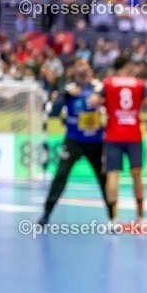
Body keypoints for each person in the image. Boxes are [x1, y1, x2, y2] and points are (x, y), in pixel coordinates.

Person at [39, 58, 110, 224]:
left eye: (85, 64)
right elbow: (54, 112)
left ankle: (112, 217)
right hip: (73, 141)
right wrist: (65, 95)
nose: (82, 68)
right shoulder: (69, 90)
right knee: (61, 175)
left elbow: (110, 107)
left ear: (90, 69)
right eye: (78, 65)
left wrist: (100, 102)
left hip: (96, 141)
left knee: (104, 178)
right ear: (74, 70)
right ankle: (46, 213)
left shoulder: (99, 89)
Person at [98, 56, 147, 224]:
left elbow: (95, 101)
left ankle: (114, 219)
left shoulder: (108, 83)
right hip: (134, 135)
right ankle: (140, 216)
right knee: (137, 175)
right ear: (126, 65)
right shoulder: (139, 84)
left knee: (113, 176)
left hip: (113, 135)